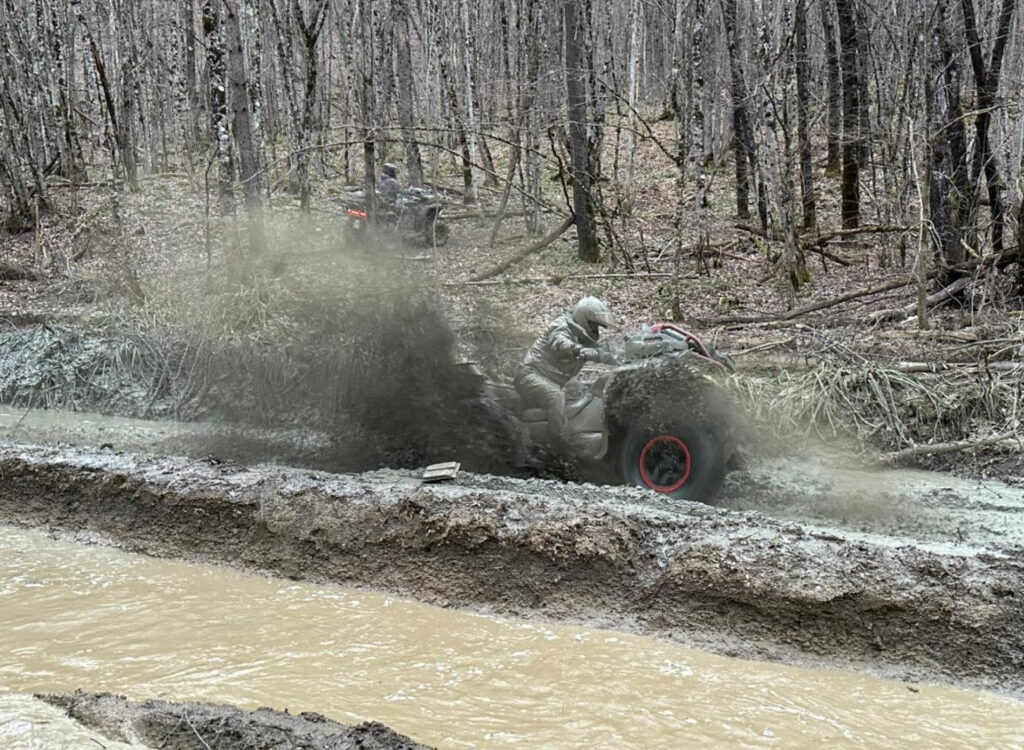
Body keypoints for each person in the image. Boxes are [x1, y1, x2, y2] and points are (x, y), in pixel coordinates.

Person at [514, 296, 615, 436]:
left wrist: (617, 358)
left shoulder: (581, 334)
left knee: (584, 394)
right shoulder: (561, 327)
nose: (595, 329)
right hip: (531, 375)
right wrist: (579, 350)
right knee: (556, 397)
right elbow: (560, 344)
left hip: (554, 379)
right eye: (593, 325)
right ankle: (562, 442)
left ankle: (581, 433)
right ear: (583, 318)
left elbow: (603, 352)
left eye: (597, 326)